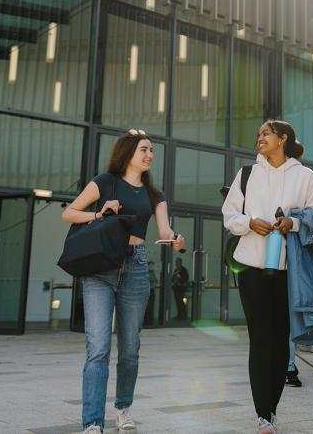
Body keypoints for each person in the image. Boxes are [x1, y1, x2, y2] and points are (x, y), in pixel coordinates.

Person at [62, 129, 186, 434]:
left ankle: (123, 407)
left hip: (137, 266)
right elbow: (69, 213)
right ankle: (92, 422)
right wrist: (99, 214)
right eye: (144, 149)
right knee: (99, 347)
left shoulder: (155, 195)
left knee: (130, 348)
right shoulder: (105, 182)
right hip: (100, 268)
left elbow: (165, 230)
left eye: (152, 150)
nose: (149, 155)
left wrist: (177, 241)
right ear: (128, 152)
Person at [222, 119, 313, 434]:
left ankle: (272, 407)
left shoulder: (305, 176)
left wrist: (291, 224)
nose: (259, 138)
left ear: (283, 139)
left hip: (289, 270)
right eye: (258, 134)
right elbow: (229, 216)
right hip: (251, 266)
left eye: (265, 134)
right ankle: (262, 415)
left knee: (281, 340)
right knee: (260, 338)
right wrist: (250, 222)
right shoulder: (247, 174)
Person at [145, 261, 158, 326]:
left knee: (151, 306)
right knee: (147, 307)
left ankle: (150, 321)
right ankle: (146, 321)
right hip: (147, 290)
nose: (152, 267)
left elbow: (155, 279)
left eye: (152, 265)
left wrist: (155, 280)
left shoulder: (153, 272)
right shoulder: (145, 272)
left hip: (152, 290)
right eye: (150, 265)